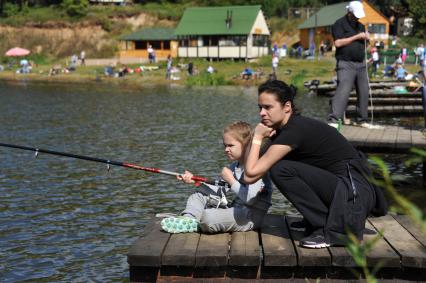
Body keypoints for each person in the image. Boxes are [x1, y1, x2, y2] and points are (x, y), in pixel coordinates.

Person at [243, 79, 387, 248]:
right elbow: (254, 165)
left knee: (281, 170)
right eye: (260, 107)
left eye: (268, 107)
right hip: (348, 189)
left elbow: (250, 175)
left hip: (353, 192)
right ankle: (317, 220)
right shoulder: (287, 129)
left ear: (287, 107)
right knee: (281, 164)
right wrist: (256, 140)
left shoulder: (294, 130)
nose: (261, 113)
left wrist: (258, 137)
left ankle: (326, 227)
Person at [160, 121, 273, 234]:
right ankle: (188, 219)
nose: (226, 149)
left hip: (249, 218)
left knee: (208, 217)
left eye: (230, 145)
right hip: (235, 210)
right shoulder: (235, 166)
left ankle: (197, 223)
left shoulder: (257, 166)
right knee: (198, 196)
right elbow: (219, 190)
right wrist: (195, 181)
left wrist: (231, 180)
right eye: (225, 145)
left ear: (247, 145)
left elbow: (250, 199)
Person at [327, 1, 372, 129]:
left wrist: (367, 40)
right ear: (349, 12)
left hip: (361, 63)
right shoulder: (339, 24)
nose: (357, 18)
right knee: (343, 90)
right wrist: (357, 36)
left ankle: (362, 119)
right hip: (346, 63)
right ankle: (334, 119)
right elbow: (338, 43)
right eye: (355, 15)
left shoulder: (361, 26)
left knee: (364, 91)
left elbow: (365, 46)